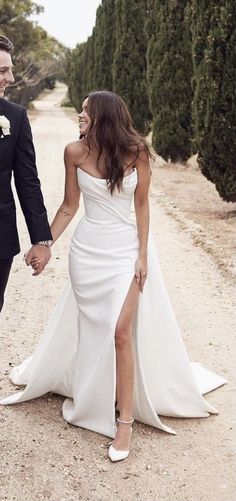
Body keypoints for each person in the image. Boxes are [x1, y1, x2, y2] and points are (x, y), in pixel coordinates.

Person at [0, 91, 226, 462]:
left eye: (86, 112)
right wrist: (45, 243)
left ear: (105, 117)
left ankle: (124, 424)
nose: (80, 117)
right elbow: (70, 206)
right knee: (96, 330)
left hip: (125, 253)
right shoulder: (74, 152)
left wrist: (142, 255)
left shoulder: (137, 151)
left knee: (121, 331)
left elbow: (141, 205)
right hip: (87, 253)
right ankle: (93, 390)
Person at [0, 36, 52, 312]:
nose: (10, 77)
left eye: (9, 69)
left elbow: (27, 181)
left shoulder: (15, 117)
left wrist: (41, 240)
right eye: (2, 70)